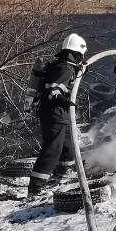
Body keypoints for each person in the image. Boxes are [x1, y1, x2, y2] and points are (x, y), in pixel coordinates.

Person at [27, 33, 87, 196]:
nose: (81, 59)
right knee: (52, 150)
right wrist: (64, 100)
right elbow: (53, 90)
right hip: (55, 113)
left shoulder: (63, 66)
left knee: (68, 148)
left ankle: (59, 176)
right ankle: (35, 188)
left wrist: (81, 69)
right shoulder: (65, 68)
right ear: (76, 53)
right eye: (80, 56)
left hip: (60, 114)